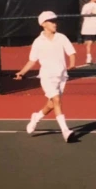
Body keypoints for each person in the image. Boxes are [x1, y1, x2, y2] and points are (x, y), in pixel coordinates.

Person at [14, 11, 76, 143]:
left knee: (52, 104)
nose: (55, 23)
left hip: (61, 76)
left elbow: (71, 52)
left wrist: (72, 64)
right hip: (47, 76)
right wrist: (21, 72)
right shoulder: (38, 42)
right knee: (57, 100)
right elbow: (32, 61)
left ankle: (36, 117)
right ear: (43, 24)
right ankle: (65, 131)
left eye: (55, 21)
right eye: (51, 21)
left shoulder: (62, 37)